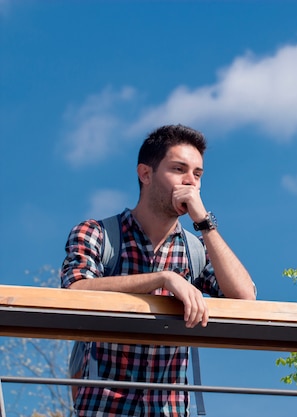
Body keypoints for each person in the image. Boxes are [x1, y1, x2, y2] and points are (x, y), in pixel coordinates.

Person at [60, 124, 256, 416]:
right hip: (103, 408)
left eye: (198, 174)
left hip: (170, 410)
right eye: (179, 169)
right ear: (145, 174)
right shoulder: (97, 233)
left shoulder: (196, 249)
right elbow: (75, 289)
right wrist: (164, 278)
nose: (191, 182)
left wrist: (203, 221)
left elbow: (244, 297)